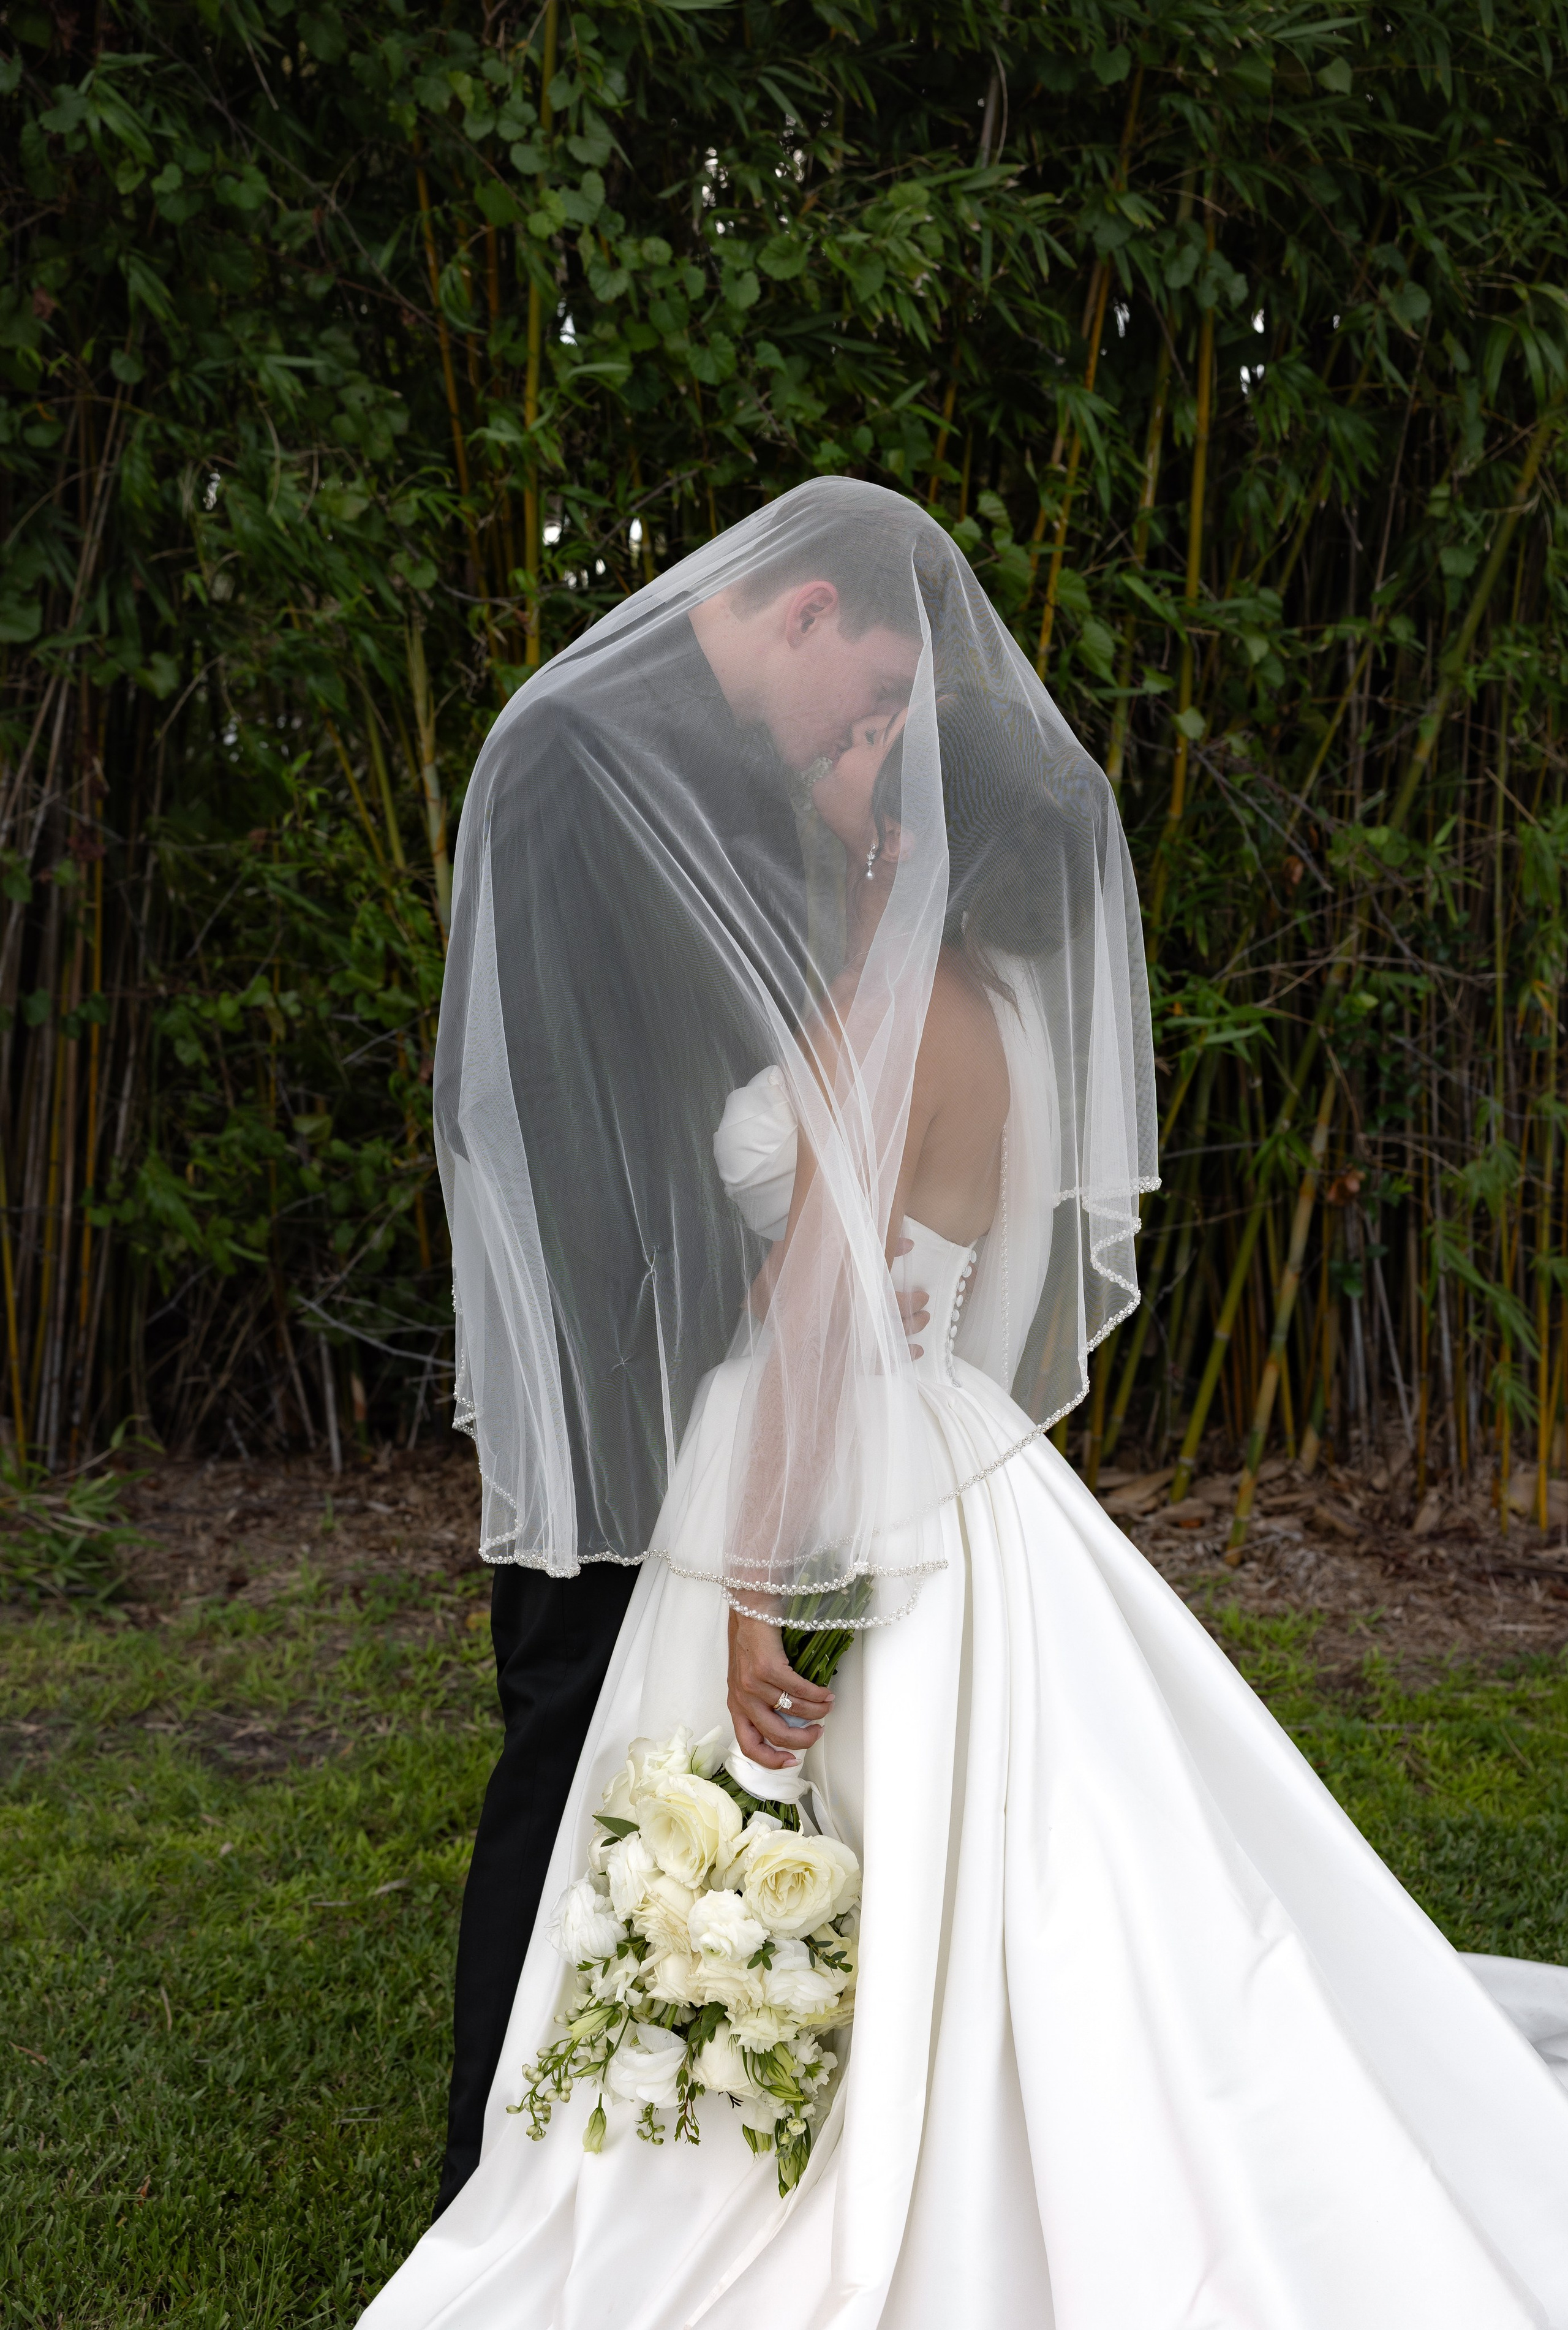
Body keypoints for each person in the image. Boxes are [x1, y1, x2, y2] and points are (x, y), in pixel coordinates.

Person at [370, 481, 1568, 2326]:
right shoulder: (976, 999)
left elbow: (831, 1316)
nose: (846, 758)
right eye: (854, 727)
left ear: (932, 820)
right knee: (991, 1846)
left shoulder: (901, 1007)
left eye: (875, 744)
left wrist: (762, 1556)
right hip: (949, 1463)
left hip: (825, 1450)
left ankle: (789, 2155)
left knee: (818, 1798)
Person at [431, 483, 925, 2214]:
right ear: (799, 611)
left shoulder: (720, 750)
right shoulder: (578, 745)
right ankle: (487, 2154)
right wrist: (737, 1303)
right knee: (564, 1715)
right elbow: (566, 1097)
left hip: (724, 1319)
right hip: (611, 1329)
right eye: (857, 691)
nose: (851, 735)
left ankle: (654, 2111)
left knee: (663, 1732)